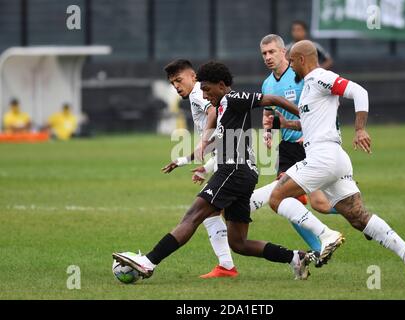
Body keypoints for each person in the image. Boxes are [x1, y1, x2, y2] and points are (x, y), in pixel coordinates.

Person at [112, 61, 342, 280]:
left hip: (234, 170)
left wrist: (305, 117)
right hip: (242, 174)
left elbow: (272, 98)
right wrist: (188, 160)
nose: (204, 95)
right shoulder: (222, 106)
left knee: (193, 216)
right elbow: (217, 142)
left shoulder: (233, 98)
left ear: (222, 85)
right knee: (239, 243)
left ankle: (148, 262)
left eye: (207, 89)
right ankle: (296, 258)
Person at [264, 40, 405, 287]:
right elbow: (313, 122)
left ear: (300, 60)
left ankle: (325, 235)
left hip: (323, 157)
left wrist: (360, 129)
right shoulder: (309, 86)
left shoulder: (320, 77)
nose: (291, 68)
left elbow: (359, 92)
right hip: (333, 158)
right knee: (358, 217)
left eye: (293, 62)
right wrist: (285, 125)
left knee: (277, 198)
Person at [247, 34, 339, 255]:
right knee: (285, 201)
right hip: (287, 148)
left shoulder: (301, 76)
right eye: (264, 54)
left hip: (310, 145)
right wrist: (267, 132)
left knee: (320, 205)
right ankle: (318, 248)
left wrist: (309, 130)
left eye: (272, 52)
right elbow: (268, 114)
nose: (268, 57)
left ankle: (355, 214)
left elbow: (321, 107)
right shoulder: (267, 83)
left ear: (283, 52)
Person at [160, 59, 238, 279]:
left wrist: (203, 141)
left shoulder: (197, 93)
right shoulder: (198, 93)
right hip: (224, 157)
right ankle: (226, 266)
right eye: (173, 82)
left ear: (193, 76)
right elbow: (215, 136)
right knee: (213, 214)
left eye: (179, 79)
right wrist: (190, 161)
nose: (176, 86)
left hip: (232, 163)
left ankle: (295, 255)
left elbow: (213, 112)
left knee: (204, 213)